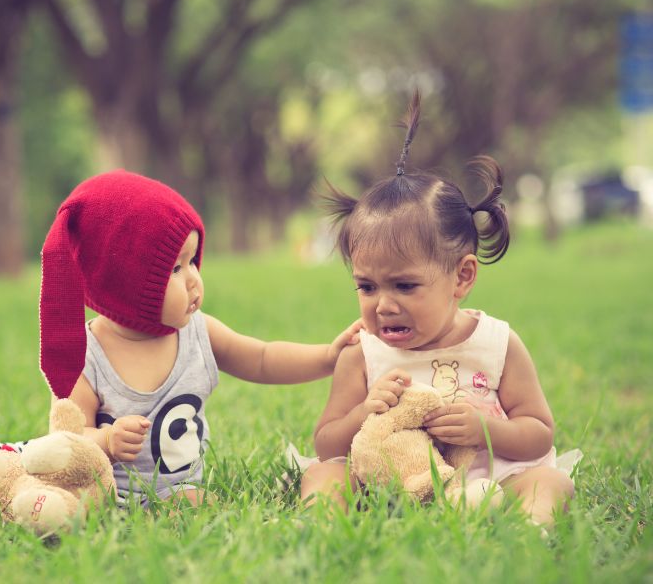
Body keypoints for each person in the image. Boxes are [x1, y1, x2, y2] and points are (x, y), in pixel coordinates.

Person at [299, 93, 574, 526]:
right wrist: (363, 411)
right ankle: (317, 524)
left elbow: (539, 433)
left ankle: (529, 528)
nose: (383, 305)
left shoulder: (497, 343)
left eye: (405, 285)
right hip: (388, 477)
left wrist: (487, 431)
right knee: (323, 474)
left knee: (550, 483)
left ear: (462, 277)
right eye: (366, 286)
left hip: (484, 480)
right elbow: (326, 442)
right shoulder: (362, 351)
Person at [38, 170, 362, 509]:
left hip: (180, 491)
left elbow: (262, 358)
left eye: (193, 261)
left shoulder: (197, 331)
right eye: (175, 269)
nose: (194, 279)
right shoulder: (85, 357)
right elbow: (66, 441)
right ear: (124, 286)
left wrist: (328, 356)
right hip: (107, 494)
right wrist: (105, 439)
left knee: (196, 502)